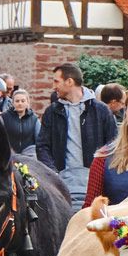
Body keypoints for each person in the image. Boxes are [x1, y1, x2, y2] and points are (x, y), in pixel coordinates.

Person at [37, 62, 113, 203]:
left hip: (94, 183)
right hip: (61, 183)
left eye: (56, 81)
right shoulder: (52, 111)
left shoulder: (101, 110)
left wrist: (101, 173)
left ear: (69, 81)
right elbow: (42, 146)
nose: (54, 86)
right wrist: (53, 173)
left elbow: (113, 144)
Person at [2, 88, 40, 156]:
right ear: (12, 103)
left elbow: (39, 141)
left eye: (23, 101)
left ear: (27, 102)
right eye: (17, 101)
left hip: (29, 157)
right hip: (10, 156)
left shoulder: (34, 119)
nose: (20, 103)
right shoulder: (4, 117)